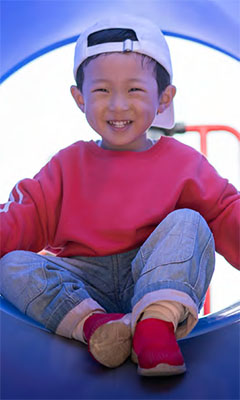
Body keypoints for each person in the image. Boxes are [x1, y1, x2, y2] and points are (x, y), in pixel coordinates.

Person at [0, 15, 239, 377]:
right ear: (79, 98)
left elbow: (225, 213)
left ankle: (155, 326)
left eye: (134, 90)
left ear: (164, 98)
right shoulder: (68, 165)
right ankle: (98, 328)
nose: (117, 105)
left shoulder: (182, 162)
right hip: (82, 287)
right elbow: (23, 216)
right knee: (13, 264)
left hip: (154, 276)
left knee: (191, 223)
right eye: (101, 91)